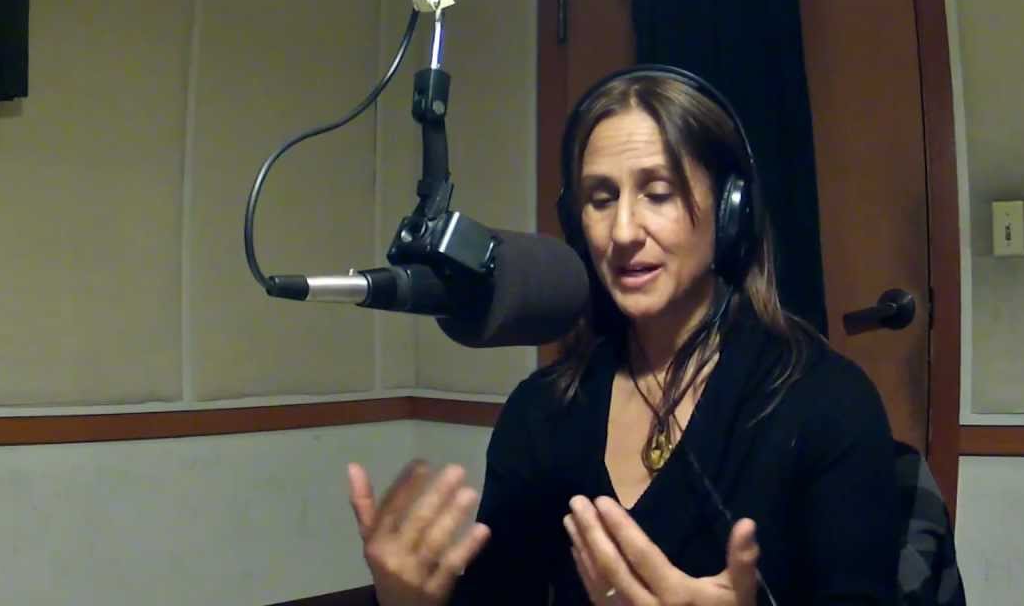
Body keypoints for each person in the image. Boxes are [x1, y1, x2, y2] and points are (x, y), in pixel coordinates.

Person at [346, 65, 899, 605]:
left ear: (731, 214)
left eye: (658, 193)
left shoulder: (828, 404)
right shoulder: (541, 414)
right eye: (601, 199)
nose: (624, 232)